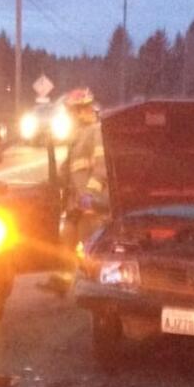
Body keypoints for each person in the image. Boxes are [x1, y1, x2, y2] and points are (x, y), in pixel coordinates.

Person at [50, 87, 108, 293]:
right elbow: (70, 168)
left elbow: (102, 168)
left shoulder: (96, 131)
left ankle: (96, 284)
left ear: (82, 110)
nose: (69, 116)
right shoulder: (78, 135)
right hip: (77, 202)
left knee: (89, 244)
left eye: (71, 112)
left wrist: (90, 197)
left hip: (90, 202)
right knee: (67, 237)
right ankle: (63, 281)